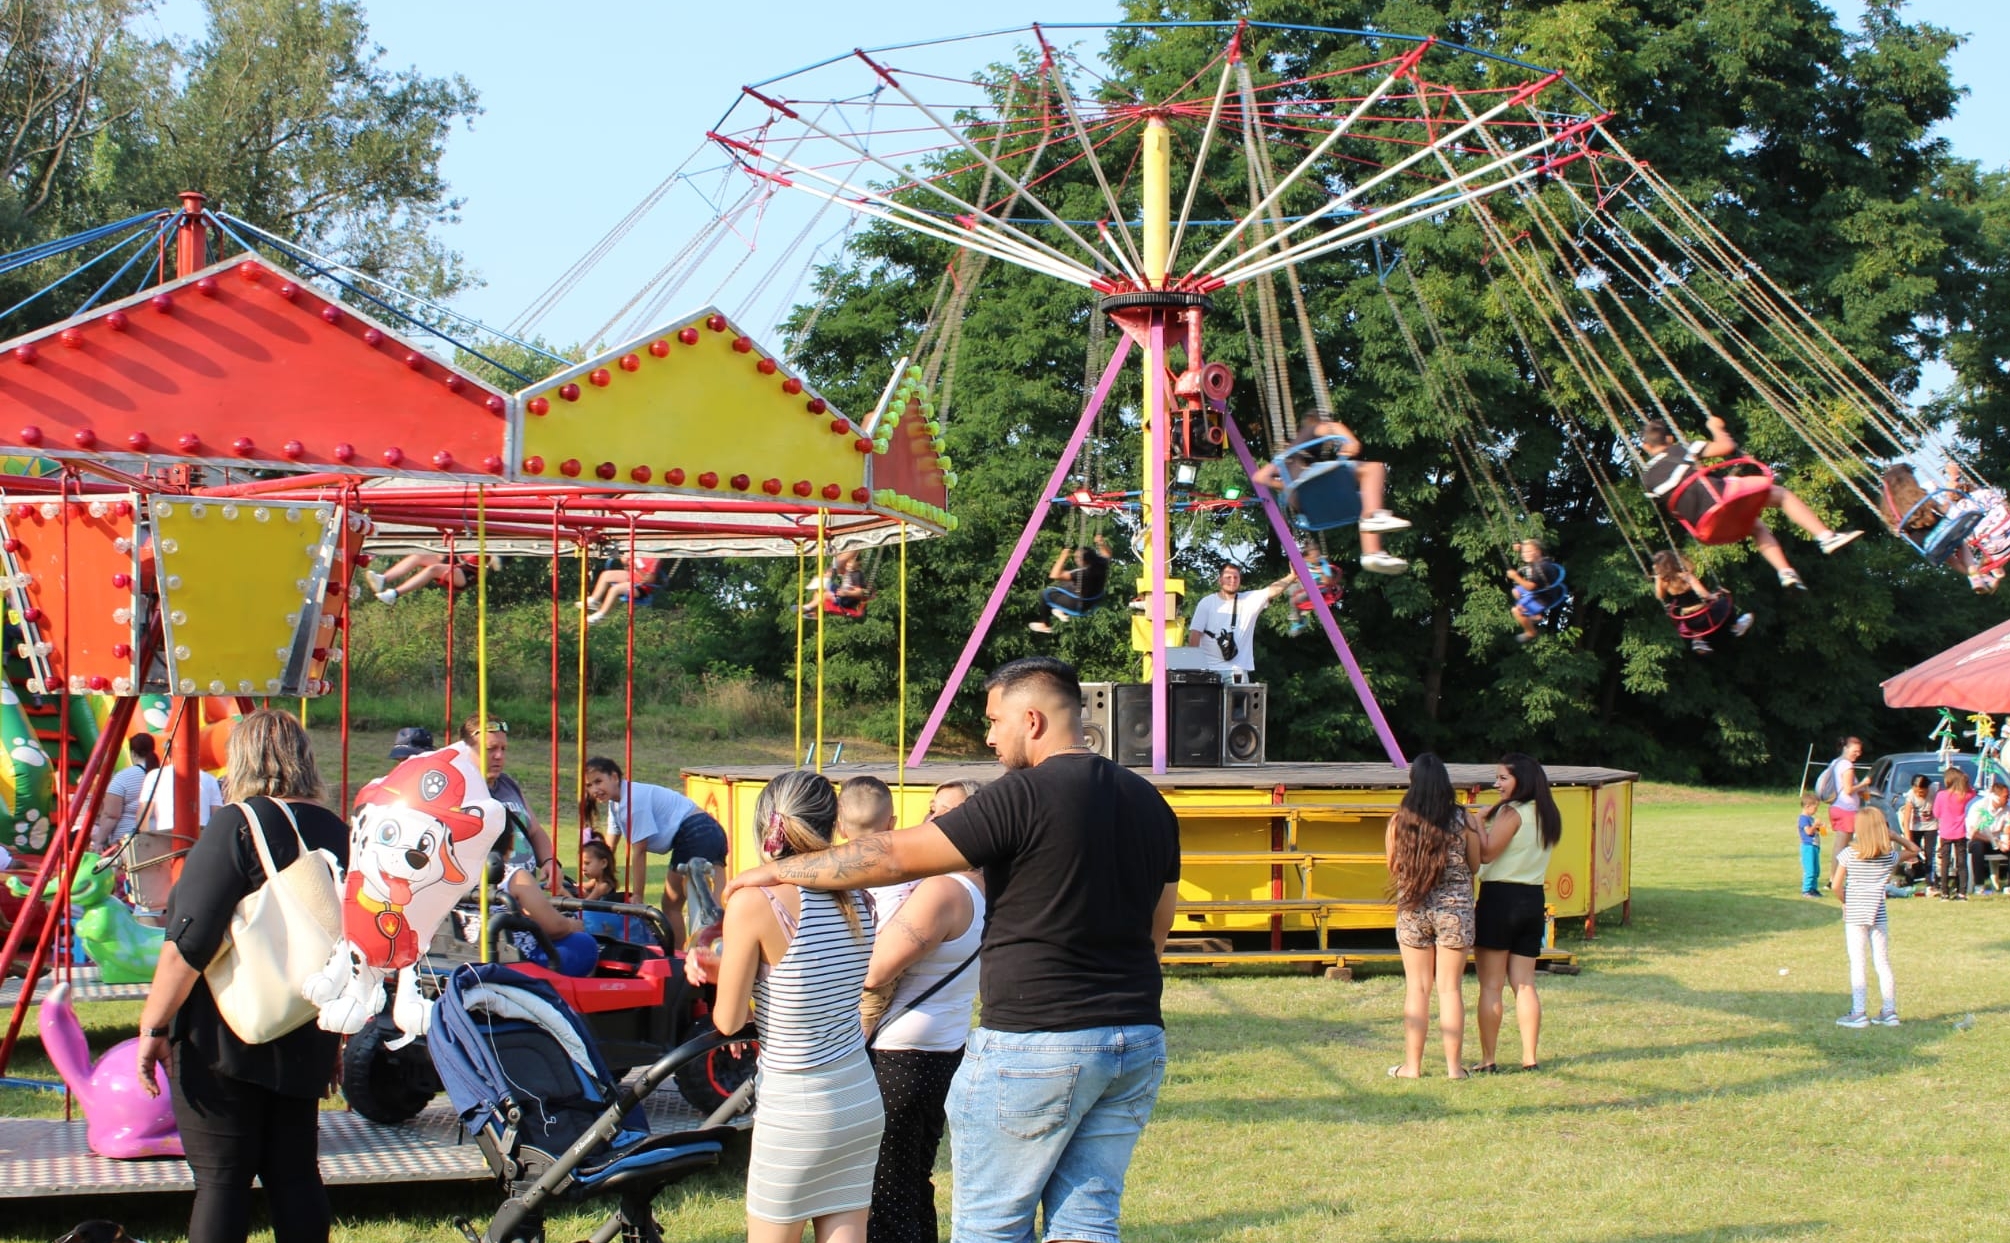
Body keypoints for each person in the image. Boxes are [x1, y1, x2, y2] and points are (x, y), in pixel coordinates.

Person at [722, 656, 1180, 1243]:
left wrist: (783, 870)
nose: (988, 737)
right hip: (1135, 1041)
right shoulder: (1152, 805)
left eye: (994, 721)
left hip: (1035, 1043)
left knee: (992, 1226)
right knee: (1086, 1222)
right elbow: (1156, 933)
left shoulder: (1021, 795)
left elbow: (890, 856)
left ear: (1032, 719)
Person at [133, 709, 347, 1243]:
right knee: (295, 1174)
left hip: (224, 1035)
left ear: (240, 759)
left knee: (223, 1179)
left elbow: (189, 943)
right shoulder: (335, 830)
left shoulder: (238, 824)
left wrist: (153, 1027)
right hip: (307, 1019)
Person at [685, 770, 880, 1243]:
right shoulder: (860, 895)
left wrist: (720, 969)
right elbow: (813, 978)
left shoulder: (757, 901)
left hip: (797, 1104)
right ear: (831, 824)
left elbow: (728, 1021)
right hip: (857, 1092)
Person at [854, 779, 985, 1243]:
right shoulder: (986, 887)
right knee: (908, 1183)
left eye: (946, 811)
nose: (931, 820)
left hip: (901, 1057)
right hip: (939, 1049)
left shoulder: (944, 891)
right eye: (931, 809)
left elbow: (875, 970)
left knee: (887, 1191)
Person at [1638, 415, 1860, 589]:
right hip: (1720, 500)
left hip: (1704, 527)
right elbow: (1725, 447)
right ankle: (1825, 536)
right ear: (1669, 439)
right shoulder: (1681, 449)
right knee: (1781, 494)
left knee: (1756, 526)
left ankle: (1785, 572)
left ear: (1646, 447)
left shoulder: (1647, 480)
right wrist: (1716, 427)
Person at [1385, 753, 1484, 1080]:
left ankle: (1412, 1067)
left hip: (1414, 908)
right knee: (1450, 989)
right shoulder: (1463, 819)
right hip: (1455, 911)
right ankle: (1455, 1069)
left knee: (1417, 989)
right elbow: (1474, 865)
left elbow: (1393, 866)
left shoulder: (1400, 820)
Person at [1472, 752, 1561, 1073]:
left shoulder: (1512, 813)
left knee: (1491, 985)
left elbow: (1485, 853)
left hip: (1500, 898)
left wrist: (1480, 823)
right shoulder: (1549, 814)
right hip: (1533, 898)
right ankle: (1529, 1058)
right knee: (1524, 984)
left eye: (1502, 778)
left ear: (1520, 781)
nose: (1496, 784)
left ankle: (1488, 1059)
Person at [582, 755, 727, 951]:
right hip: (712, 830)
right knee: (718, 907)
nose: (594, 790)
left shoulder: (632, 802)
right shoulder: (616, 804)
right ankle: (720, 953)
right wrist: (593, 880)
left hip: (695, 832)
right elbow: (607, 851)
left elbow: (639, 852)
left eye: (599, 781)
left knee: (675, 905)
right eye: (589, 785)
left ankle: (678, 957)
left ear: (615, 777)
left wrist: (638, 896)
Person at [1252, 414, 1410, 574]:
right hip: (1316, 483)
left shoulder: (1284, 462)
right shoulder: (1309, 429)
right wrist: (1352, 441)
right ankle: (1373, 533)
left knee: (1367, 500)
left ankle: (1372, 554)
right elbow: (1333, 427)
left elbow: (1259, 477)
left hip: (1308, 507)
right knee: (1374, 469)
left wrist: (1287, 487)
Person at [1831, 806, 1920, 1028]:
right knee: (1882, 962)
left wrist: (1845, 901)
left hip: (1855, 915)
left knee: (1858, 963)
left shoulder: (1849, 854)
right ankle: (1889, 1011)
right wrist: (1895, 836)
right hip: (1878, 913)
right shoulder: (1888, 857)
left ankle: (1858, 1012)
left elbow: (1835, 885)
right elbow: (1914, 850)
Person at [456, 717, 560, 892]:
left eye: (503, 749)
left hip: (525, 896)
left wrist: (550, 862)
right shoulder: (459, 791)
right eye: (491, 749)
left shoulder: (507, 784)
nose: (499, 756)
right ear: (467, 750)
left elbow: (534, 831)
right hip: (488, 899)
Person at [1187, 563, 1292, 682]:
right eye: (1228, 577)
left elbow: (1273, 589)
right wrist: (1193, 668)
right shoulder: (1207, 603)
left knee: (1238, 700)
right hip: (1209, 670)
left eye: (1236, 577)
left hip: (1237, 672)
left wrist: (1292, 576)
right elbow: (1194, 634)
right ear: (1220, 580)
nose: (1232, 580)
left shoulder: (1248, 600)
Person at [1650, 550, 1752, 655]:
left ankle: (1698, 640)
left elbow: (1660, 596)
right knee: (1725, 601)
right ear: (1674, 562)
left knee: (1691, 615)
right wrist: (1712, 596)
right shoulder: (1686, 576)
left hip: (1690, 622)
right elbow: (1703, 594)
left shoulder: (1664, 582)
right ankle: (1736, 627)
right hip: (1705, 617)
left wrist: (1658, 579)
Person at [90, 734, 158, 855]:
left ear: (133, 753)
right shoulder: (162, 775)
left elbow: (111, 815)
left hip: (127, 844)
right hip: (158, 840)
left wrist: (99, 841)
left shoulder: (123, 777)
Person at [1028, 534, 1111, 633]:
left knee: (1045, 593)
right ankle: (1060, 610)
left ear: (1083, 560)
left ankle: (1044, 624)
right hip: (1091, 603)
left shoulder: (1082, 573)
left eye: (1076, 558)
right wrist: (1101, 543)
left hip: (1077, 605)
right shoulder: (1101, 564)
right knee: (1065, 585)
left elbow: (1054, 575)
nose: (1075, 559)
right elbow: (1107, 554)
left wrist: (1062, 557)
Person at [134, 756, 224, 841]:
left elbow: (143, 814)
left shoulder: (154, 775)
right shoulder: (210, 779)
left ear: (168, 758)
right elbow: (218, 816)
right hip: (201, 838)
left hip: (165, 837)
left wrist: (146, 842)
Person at [365, 551, 498, 606]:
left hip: (468, 572)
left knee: (433, 569)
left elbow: (494, 561)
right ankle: (383, 579)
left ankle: (394, 594)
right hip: (456, 559)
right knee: (418, 556)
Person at [581, 550, 668, 624]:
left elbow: (650, 580)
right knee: (606, 575)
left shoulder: (654, 560)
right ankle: (594, 600)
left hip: (641, 588)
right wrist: (625, 562)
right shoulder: (638, 550)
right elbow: (628, 566)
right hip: (632, 576)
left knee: (615, 589)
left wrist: (637, 568)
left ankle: (601, 615)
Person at [1931, 768, 1976, 900]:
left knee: (1945, 862)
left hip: (1945, 832)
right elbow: (1974, 797)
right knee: (1962, 863)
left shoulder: (1941, 795)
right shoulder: (1967, 795)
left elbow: (1936, 813)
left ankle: (1944, 892)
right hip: (1961, 832)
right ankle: (1962, 892)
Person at [1506, 538, 1562, 645]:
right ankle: (1535, 614)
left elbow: (1529, 587)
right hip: (1541, 591)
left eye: (1529, 551)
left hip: (1544, 597)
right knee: (1516, 591)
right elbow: (1529, 552)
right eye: (1524, 552)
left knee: (1516, 611)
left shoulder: (1540, 568)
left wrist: (1515, 576)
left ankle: (1530, 632)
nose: (1525, 554)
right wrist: (1521, 548)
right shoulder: (1541, 559)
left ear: (1538, 552)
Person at [1283, 534, 1341, 636]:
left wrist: (1322, 571)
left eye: (1317, 554)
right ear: (1307, 555)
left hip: (1318, 588)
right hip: (1304, 587)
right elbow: (1295, 572)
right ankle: (1299, 618)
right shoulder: (1304, 562)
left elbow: (1328, 581)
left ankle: (1301, 618)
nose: (1315, 556)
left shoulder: (1323, 564)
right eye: (1312, 554)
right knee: (1291, 589)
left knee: (1296, 599)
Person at [1822, 738, 1868, 862]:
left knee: (1842, 845)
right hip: (1846, 810)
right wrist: (1864, 783)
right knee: (1842, 847)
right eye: (1855, 751)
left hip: (1836, 807)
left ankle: (1837, 877)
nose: (1858, 754)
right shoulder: (1847, 765)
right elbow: (1848, 790)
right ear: (1845, 748)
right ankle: (1835, 878)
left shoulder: (1835, 762)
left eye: (1859, 751)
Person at [1963, 781, 2010, 895]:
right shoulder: (1979, 807)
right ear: (1996, 797)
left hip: (1997, 839)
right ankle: (1979, 885)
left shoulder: (2006, 809)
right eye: (2005, 796)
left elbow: (2007, 826)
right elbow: (1973, 833)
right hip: (1980, 839)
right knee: (1977, 847)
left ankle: (2008, 886)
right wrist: (1996, 842)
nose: (2008, 798)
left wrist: (2006, 841)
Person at [1898, 774, 1938, 888]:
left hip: (1932, 826)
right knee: (1911, 853)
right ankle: (1909, 879)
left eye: (1922, 792)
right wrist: (1908, 840)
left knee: (1930, 853)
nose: (1919, 794)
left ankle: (1930, 881)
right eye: (1917, 792)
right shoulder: (1911, 796)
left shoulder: (1934, 789)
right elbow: (1906, 820)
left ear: (1927, 788)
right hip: (1915, 826)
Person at [1796, 793, 1824, 899]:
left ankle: (1814, 889)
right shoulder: (1803, 819)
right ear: (1807, 806)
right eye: (1815, 807)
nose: (1816, 810)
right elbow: (1808, 831)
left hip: (1815, 846)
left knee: (1816, 870)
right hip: (1808, 847)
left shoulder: (1811, 818)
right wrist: (1815, 825)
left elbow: (1817, 832)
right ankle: (1806, 890)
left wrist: (1821, 828)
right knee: (1810, 870)